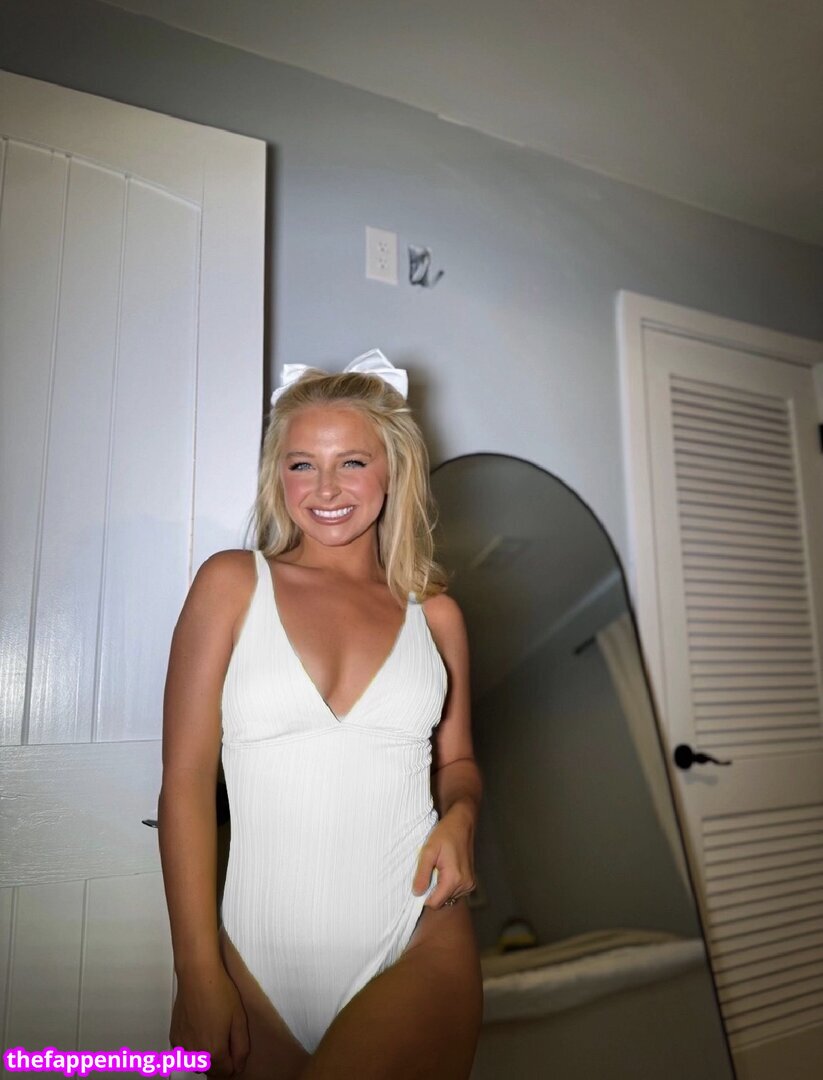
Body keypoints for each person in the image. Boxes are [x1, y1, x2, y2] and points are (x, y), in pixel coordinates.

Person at [159, 350, 484, 1079]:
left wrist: (461, 816)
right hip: (250, 963)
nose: (326, 488)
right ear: (278, 476)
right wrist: (196, 969)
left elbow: (458, 761)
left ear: (394, 470)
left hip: (417, 937)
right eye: (302, 464)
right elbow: (184, 783)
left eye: (352, 463)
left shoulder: (436, 615)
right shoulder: (231, 584)